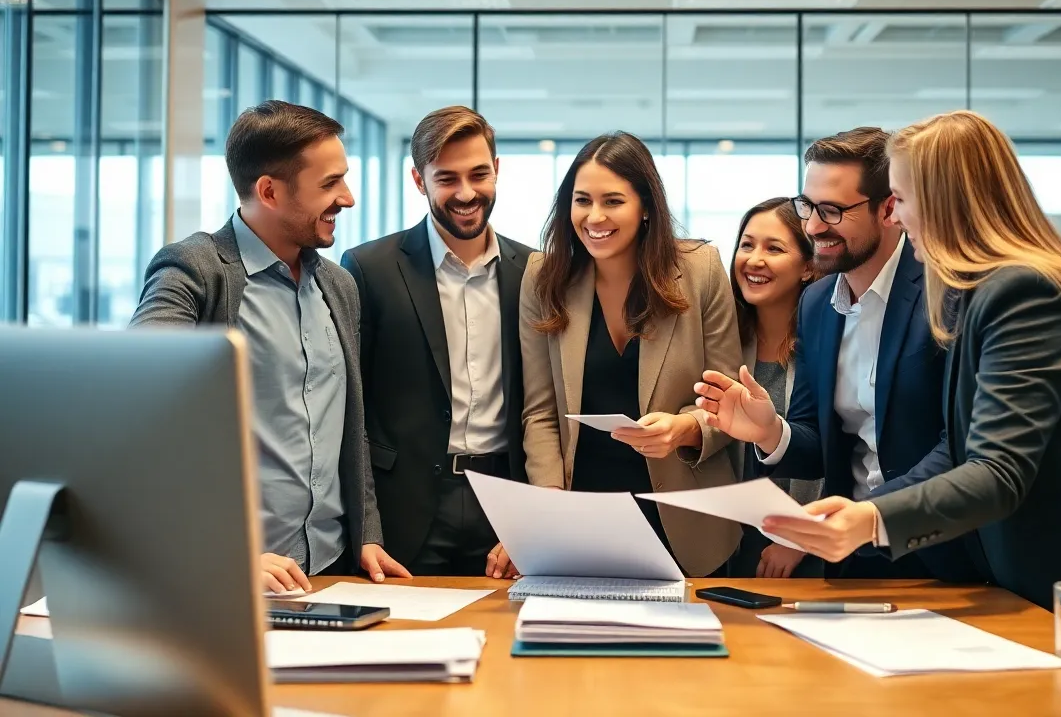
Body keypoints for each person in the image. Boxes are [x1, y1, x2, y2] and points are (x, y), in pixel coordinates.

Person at [757, 111, 1061, 659]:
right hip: (1026, 573)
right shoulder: (974, 291)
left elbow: (998, 471)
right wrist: (862, 510)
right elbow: (961, 448)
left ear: (945, 200)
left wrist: (874, 516)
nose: (898, 216)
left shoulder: (1026, 292)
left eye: (902, 199)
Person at [130, 100, 406, 593]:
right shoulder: (195, 270)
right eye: (329, 184)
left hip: (331, 570)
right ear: (269, 191)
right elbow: (139, 413)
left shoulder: (338, 285)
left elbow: (348, 423)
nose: (347, 198)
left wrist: (365, 533)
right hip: (233, 580)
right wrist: (222, 551)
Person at [695, 127, 977, 581]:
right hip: (852, 559)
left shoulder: (946, 293)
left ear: (889, 209)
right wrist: (771, 432)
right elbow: (818, 445)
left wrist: (869, 517)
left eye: (832, 211)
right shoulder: (818, 303)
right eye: (808, 207)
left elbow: (960, 445)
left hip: (942, 551)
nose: (811, 227)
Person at [517, 131, 743, 578]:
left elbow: (730, 403)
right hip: (581, 518)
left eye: (613, 201)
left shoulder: (700, 270)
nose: (594, 216)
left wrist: (683, 428)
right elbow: (541, 412)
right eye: (582, 200)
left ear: (645, 208)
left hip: (685, 520)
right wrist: (547, 505)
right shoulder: (544, 277)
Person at [341, 106, 532, 578]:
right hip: (404, 506)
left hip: (505, 506)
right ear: (418, 180)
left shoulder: (535, 272)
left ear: (497, 171)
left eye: (479, 174)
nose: (466, 193)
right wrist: (366, 524)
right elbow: (352, 409)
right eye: (447, 178)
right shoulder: (370, 268)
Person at [728, 197, 822, 579]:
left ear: (808, 267)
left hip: (806, 545)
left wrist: (798, 539)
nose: (754, 259)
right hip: (731, 540)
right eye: (747, 244)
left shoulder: (822, 344)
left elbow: (837, 451)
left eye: (774, 248)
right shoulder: (724, 342)